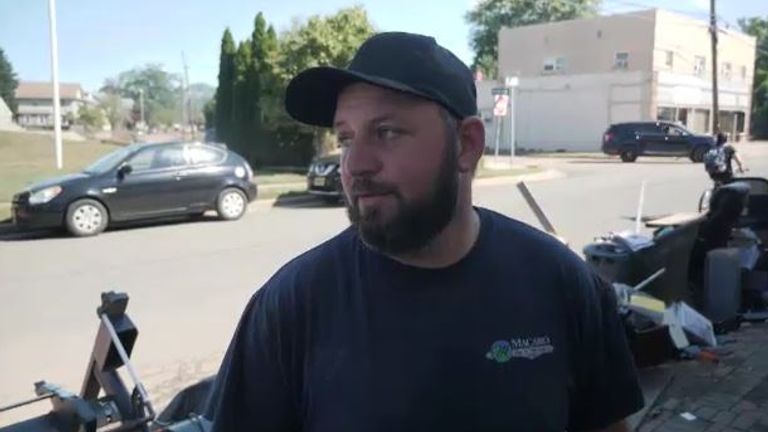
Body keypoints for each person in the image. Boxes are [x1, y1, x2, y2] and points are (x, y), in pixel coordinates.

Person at [205, 32, 644, 432]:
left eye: (387, 132)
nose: (355, 165)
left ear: (467, 146)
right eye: (345, 138)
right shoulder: (290, 307)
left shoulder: (564, 284)